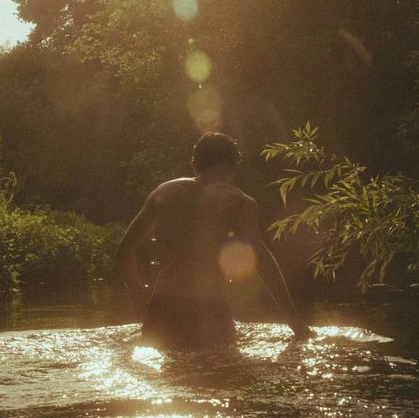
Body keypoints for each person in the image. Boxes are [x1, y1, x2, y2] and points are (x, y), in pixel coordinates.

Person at [117, 132, 312, 349]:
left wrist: (140, 296)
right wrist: (296, 324)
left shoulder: (163, 193)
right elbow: (262, 260)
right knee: (218, 378)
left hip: (162, 310)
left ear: (195, 164)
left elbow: (124, 250)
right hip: (211, 312)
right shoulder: (239, 201)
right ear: (233, 169)